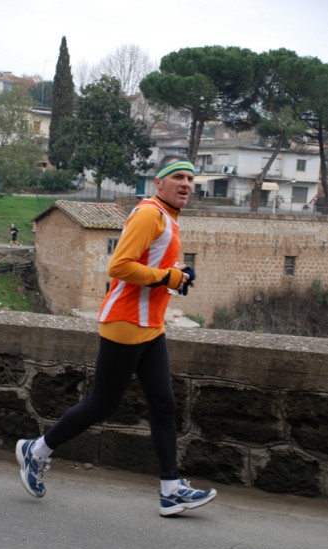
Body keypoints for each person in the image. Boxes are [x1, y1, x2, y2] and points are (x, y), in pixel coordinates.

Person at [16, 155, 217, 516]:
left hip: (150, 325)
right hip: (126, 322)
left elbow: (152, 265)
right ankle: (37, 450)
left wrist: (178, 273)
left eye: (191, 178)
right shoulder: (149, 214)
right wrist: (169, 277)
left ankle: (171, 489)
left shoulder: (167, 217)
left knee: (164, 405)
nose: (187, 184)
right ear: (159, 183)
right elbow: (119, 266)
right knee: (102, 403)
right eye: (179, 177)